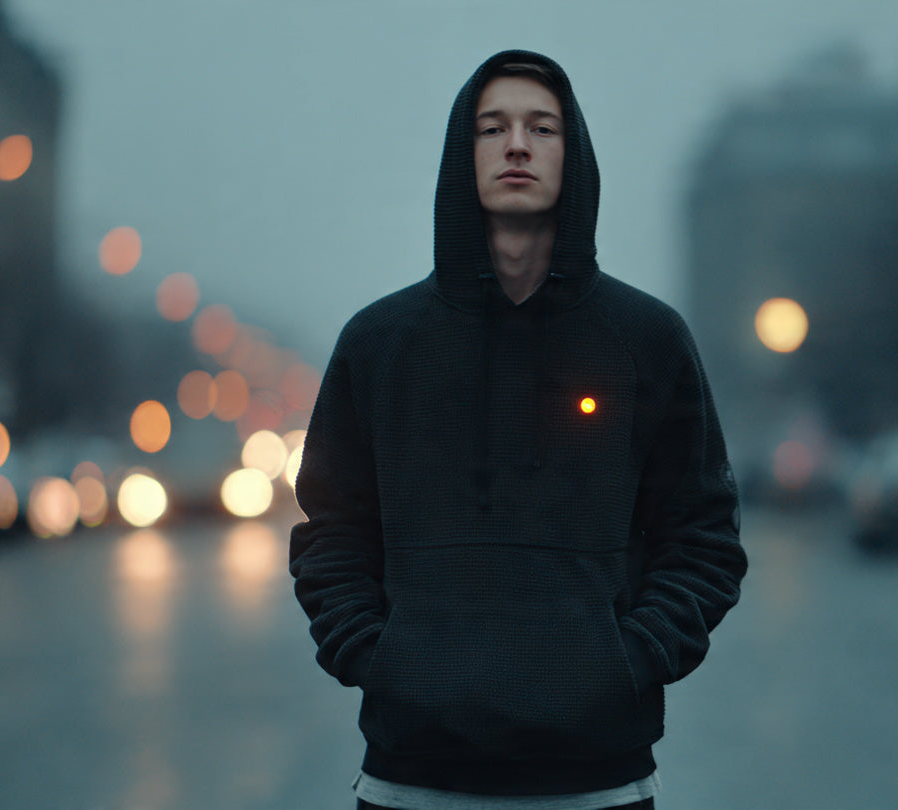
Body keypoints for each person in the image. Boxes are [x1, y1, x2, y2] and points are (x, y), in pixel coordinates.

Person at [289, 50, 747, 810]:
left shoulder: (646, 339)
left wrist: (623, 663)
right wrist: (386, 660)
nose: (516, 146)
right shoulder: (380, 344)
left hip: (598, 782)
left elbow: (703, 539)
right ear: (459, 156)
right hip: (412, 781)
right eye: (491, 127)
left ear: (575, 156)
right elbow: (331, 532)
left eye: (543, 127)